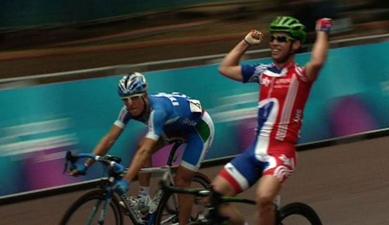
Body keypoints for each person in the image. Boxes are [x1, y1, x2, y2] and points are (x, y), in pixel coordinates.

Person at [211, 16, 332, 225]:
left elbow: (318, 61)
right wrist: (246, 42)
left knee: (264, 198)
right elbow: (225, 68)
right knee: (214, 196)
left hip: (280, 152)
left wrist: (323, 31)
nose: (274, 42)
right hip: (254, 151)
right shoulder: (263, 72)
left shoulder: (300, 76)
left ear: (295, 45)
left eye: (282, 39)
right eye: (273, 38)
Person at [71, 72, 214, 225]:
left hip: (198, 129)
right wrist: (86, 164)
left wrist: (126, 180)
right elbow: (109, 139)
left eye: (134, 98)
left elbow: (145, 150)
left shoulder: (157, 111)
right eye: (125, 100)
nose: (130, 104)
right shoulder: (127, 111)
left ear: (144, 96)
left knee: (182, 180)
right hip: (173, 127)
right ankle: (144, 200)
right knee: (141, 145)